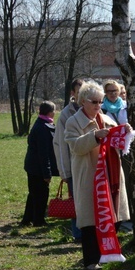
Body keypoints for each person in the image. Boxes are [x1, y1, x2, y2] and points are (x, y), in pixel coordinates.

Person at [64, 81, 131, 270]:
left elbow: (120, 146)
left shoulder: (108, 119)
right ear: (83, 101)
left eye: (100, 102)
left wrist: (124, 132)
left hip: (111, 175)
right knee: (90, 221)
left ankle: (106, 254)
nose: (98, 106)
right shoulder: (73, 122)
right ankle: (91, 261)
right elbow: (75, 146)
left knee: (114, 215)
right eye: (94, 102)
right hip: (89, 177)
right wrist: (94, 137)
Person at [53, 78, 85, 240]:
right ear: (73, 93)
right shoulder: (66, 114)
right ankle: (78, 235)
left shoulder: (94, 109)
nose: (82, 96)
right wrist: (64, 171)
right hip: (73, 167)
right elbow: (60, 144)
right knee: (76, 202)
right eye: (79, 92)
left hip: (91, 166)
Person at [21, 101, 58, 227]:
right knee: (41, 194)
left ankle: (27, 219)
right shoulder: (42, 128)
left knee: (34, 193)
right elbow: (44, 153)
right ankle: (38, 220)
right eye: (54, 111)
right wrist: (47, 173)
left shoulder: (41, 123)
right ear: (50, 112)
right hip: (37, 168)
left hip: (32, 166)